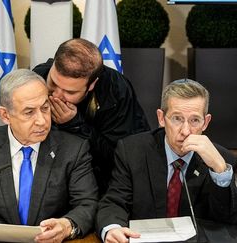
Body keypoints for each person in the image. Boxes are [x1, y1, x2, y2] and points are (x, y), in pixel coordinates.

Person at [0, 69, 98, 243]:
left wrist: (67, 225)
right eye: (29, 112)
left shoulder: (73, 149)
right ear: (5, 115)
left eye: (45, 108)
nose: (42, 120)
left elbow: (87, 204)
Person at [96, 79, 237, 243]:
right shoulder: (132, 151)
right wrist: (113, 229)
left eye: (195, 120)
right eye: (177, 118)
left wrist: (219, 170)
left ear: (205, 122)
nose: (185, 131)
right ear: (161, 118)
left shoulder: (221, 159)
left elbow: (227, 220)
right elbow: (114, 202)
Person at [33, 38, 150, 195]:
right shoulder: (37, 78)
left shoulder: (115, 90)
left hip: (101, 184)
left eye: (70, 92)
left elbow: (121, 158)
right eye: (53, 83)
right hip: (46, 179)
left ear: (92, 84)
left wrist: (76, 125)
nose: (57, 96)